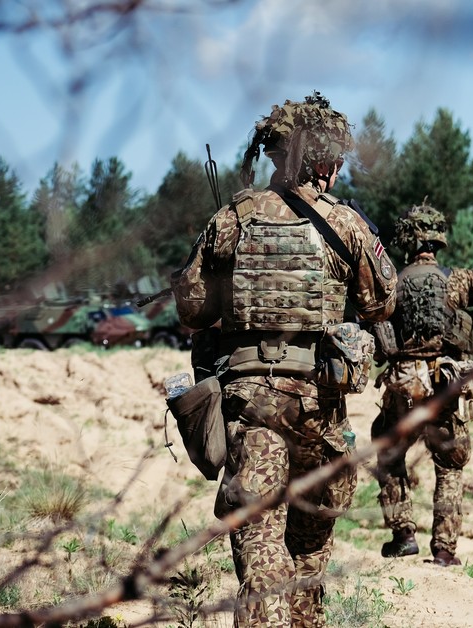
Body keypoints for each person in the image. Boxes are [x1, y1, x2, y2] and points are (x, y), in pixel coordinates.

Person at [170, 92, 397, 627]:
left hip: (252, 405)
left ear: (274, 156)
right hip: (319, 407)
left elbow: (191, 309)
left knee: (260, 541)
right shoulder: (346, 224)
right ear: (325, 162)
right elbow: (383, 301)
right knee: (311, 542)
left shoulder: (232, 218)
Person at [370, 203, 473, 567]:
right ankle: (443, 550)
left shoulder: (394, 280)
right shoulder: (458, 280)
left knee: (388, 454)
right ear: (438, 242)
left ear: (408, 242)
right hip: (446, 383)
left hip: (405, 384)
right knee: (450, 465)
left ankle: (403, 534)